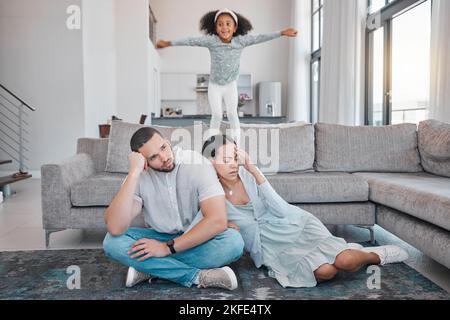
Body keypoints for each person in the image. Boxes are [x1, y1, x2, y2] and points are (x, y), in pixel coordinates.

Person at [202, 135, 409, 288]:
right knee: (327, 271)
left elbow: (281, 209)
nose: (233, 165)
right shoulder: (210, 193)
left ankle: (375, 255)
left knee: (345, 261)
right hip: (272, 247)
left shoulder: (248, 176)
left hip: (295, 225)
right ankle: (348, 249)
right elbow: (200, 224)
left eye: (235, 157)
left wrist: (254, 170)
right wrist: (224, 225)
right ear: (211, 162)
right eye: (226, 159)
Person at [103, 127, 245, 290]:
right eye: (153, 157)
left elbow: (217, 220)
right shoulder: (139, 176)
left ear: (168, 143)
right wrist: (133, 173)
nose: (164, 158)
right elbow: (115, 226)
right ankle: (198, 277)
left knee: (233, 242)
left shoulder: (196, 163)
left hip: (197, 237)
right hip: (159, 236)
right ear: (144, 162)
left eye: (163, 148)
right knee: (112, 242)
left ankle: (152, 270)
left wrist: (165, 249)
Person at [156, 8, 298, 143]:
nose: (224, 27)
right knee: (217, 115)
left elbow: (260, 38)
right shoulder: (211, 41)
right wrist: (169, 43)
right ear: (216, 28)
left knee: (232, 114)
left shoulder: (241, 41)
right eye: (220, 24)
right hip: (214, 86)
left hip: (230, 85)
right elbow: (190, 41)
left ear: (235, 27)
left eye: (228, 24)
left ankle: (237, 144)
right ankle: (211, 143)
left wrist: (282, 33)